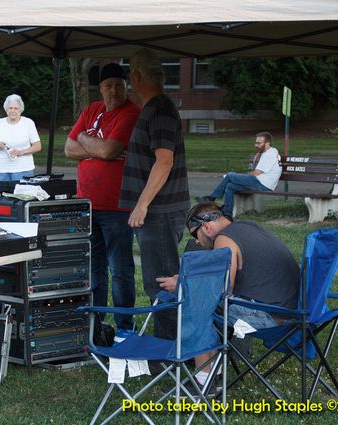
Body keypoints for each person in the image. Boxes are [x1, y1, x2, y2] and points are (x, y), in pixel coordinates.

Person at [157, 201, 299, 386]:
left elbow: (222, 291)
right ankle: (214, 370)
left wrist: (184, 285)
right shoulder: (247, 226)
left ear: (206, 226)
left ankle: (204, 380)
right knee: (202, 295)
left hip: (272, 317)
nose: (197, 242)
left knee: (198, 299)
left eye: (195, 235)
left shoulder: (224, 240)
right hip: (294, 311)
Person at [119, 48, 190, 340]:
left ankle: (168, 350)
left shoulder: (159, 109)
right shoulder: (155, 108)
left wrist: (142, 204)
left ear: (135, 77)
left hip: (159, 213)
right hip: (157, 212)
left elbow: (164, 160)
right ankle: (168, 343)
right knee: (159, 280)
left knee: (162, 283)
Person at [64, 63, 140, 332]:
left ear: (126, 86)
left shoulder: (131, 113)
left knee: (119, 270)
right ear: (101, 89)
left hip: (117, 207)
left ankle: (124, 327)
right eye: (109, 86)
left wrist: (86, 141)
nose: (114, 90)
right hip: (87, 205)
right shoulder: (92, 110)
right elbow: (68, 148)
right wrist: (89, 143)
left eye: (119, 85)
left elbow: (110, 150)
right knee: (94, 269)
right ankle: (96, 323)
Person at [196, 132, 281, 217]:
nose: (256, 145)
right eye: (255, 142)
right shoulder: (271, 151)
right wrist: (259, 153)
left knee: (230, 175)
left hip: (262, 183)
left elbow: (256, 173)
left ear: (267, 143)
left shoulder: (269, 155)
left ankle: (211, 199)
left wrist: (243, 177)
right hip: (262, 182)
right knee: (230, 186)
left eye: (259, 143)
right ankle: (227, 212)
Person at [0, 94, 41, 190]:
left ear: (21, 109)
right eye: (10, 108)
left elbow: (37, 146)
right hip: (2, 170)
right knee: (1, 200)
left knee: (21, 200)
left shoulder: (28, 123)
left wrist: (20, 152)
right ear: (6, 109)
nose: (12, 111)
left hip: (23, 169)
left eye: (16, 108)